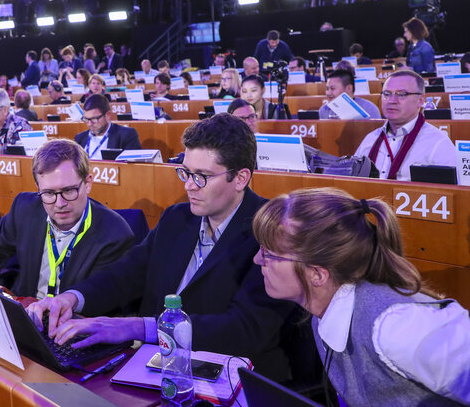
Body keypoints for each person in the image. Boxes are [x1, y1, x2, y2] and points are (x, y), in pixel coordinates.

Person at [27, 115, 295, 380]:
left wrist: (139, 327)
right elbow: (126, 274)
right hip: (153, 365)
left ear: (240, 178)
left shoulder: (270, 232)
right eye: (186, 172)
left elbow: (245, 328)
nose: (189, 185)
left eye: (201, 176)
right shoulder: (177, 218)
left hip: (226, 377)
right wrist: (72, 298)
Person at [253, 187, 470, 406]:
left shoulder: (398, 326)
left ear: (317, 274)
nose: (256, 260)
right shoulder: (324, 311)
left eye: (268, 254)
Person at [0, 139, 135, 298]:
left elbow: (100, 299)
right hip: (24, 308)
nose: (60, 203)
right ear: (38, 188)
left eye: (69, 191)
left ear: (87, 183)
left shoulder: (115, 234)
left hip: (74, 318)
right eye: (49, 193)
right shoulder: (24, 208)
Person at [354, 70, 455, 181]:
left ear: (420, 101)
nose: (392, 101)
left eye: (401, 94)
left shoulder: (438, 144)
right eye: (387, 94)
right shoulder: (371, 139)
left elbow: (448, 194)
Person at [75, 94, 140, 158]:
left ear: (108, 115)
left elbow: (131, 167)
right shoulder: (79, 138)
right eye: (86, 119)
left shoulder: (126, 135)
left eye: (94, 119)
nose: (89, 124)